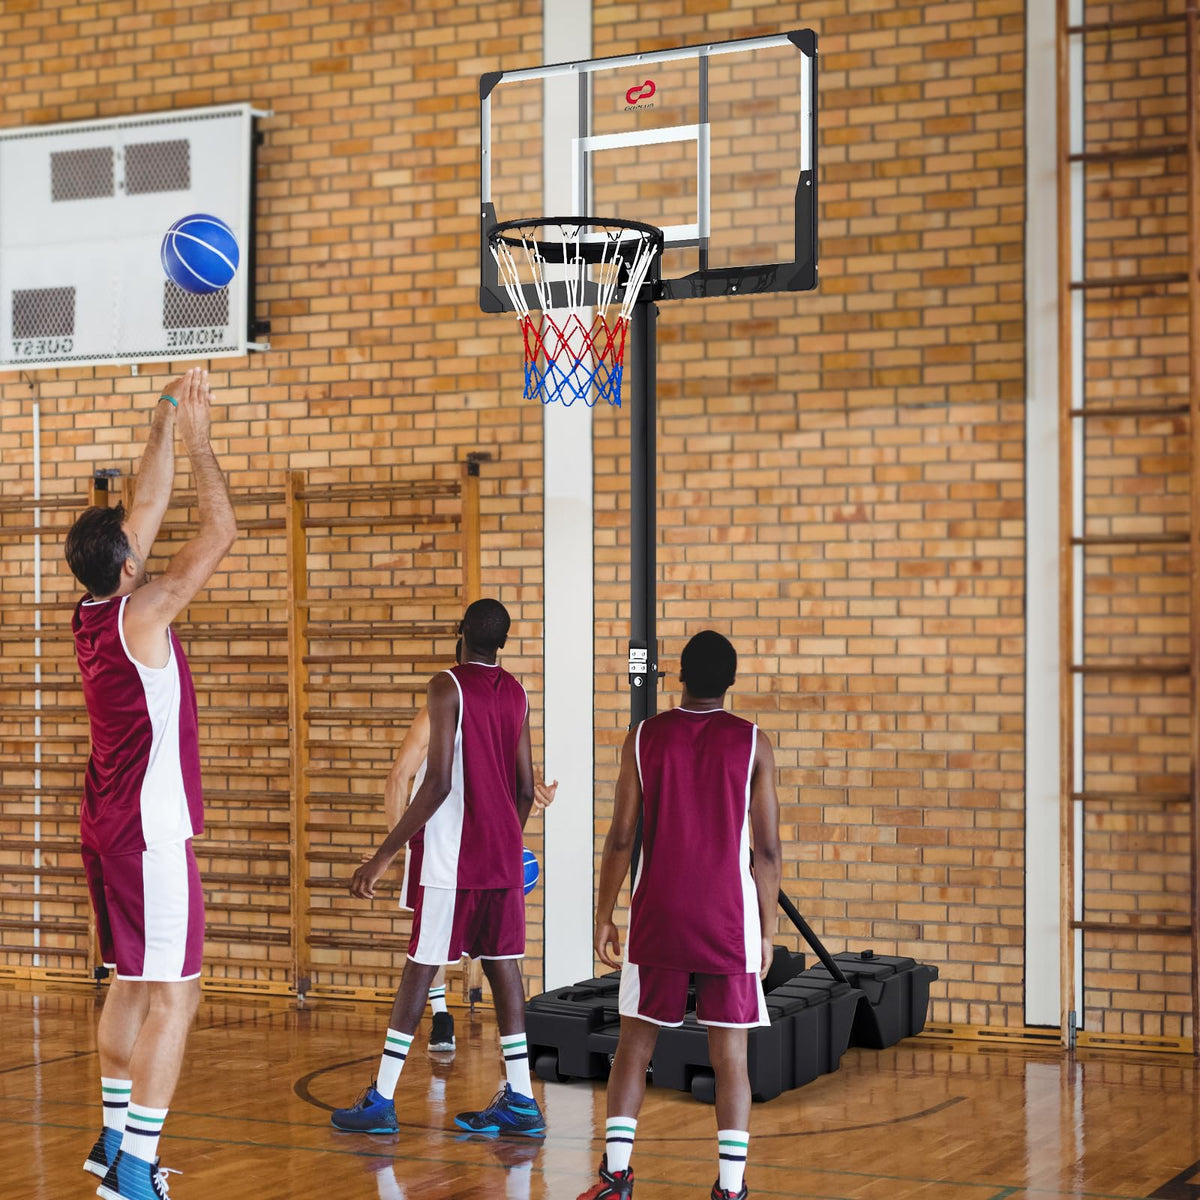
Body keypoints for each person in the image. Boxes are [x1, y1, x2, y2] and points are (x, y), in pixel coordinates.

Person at [64, 368, 237, 1200]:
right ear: (129, 564)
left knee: (131, 980)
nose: (145, 534)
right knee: (178, 994)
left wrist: (163, 416)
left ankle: (110, 1138)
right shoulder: (147, 610)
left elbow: (148, 505)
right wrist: (199, 443)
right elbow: (220, 529)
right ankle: (135, 1169)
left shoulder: (94, 610)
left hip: (105, 826)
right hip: (149, 833)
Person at [577, 631, 782, 1200]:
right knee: (730, 1057)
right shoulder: (753, 742)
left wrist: (604, 913)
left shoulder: (644, 736)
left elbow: (621, 837)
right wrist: (767, 931)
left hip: (658, 913)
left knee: (634, 1045)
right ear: (731, 681)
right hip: (727, 918)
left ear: (681, 676)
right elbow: (766, 851)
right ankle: (731, 1189)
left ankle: (617, 1178)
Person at [333, 598, 546, 1137]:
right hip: (500, 859)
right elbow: (526, 788)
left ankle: (381, 1099)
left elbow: (438, 782)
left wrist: (385, 854)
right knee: (504, 969)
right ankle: (522, 1100)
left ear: (461, 632)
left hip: (453, 857)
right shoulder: (517, 693)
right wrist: (505, 838)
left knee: (420, 967)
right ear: (502, 643)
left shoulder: (446, 685)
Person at [384, 642, 559, 1055]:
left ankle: (511, 1063)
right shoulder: (440, 706)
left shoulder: (505, 703)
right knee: (432, 942)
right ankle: (442, 1015)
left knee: (481, 951)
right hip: (438, 837)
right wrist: (398, 846)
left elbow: (503, 780)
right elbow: (400, 776)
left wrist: (534, 792)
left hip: (479, 844)